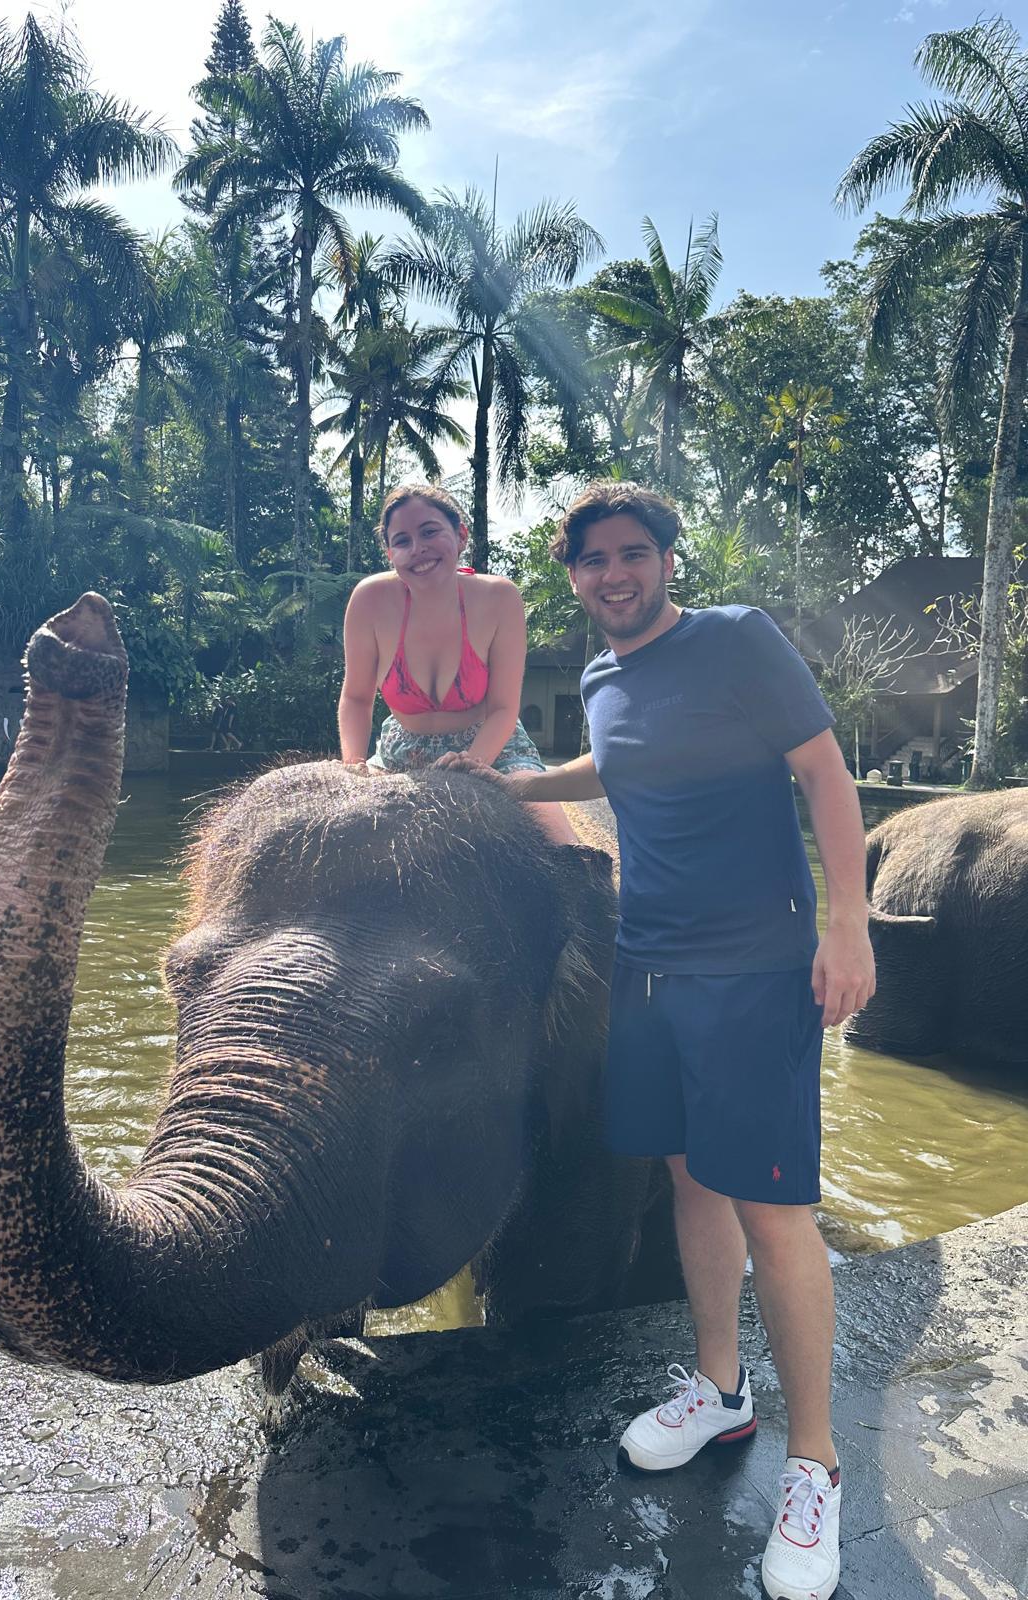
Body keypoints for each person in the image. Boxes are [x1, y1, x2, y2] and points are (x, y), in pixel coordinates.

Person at [440, 480, 875, 1600]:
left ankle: (817, 1461)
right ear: (575, 578)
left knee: (774, 1213)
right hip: (648, 964)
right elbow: (618, 776)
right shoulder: (600, 675)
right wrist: (512, 780)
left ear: (668, 560)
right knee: (688, 1180)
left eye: (633, 553)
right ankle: (722, 1393)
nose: (614, 574)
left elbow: (824, 772)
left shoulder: (738, 642)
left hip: (753, 966)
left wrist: (848, 922)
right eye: (593, 561)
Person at [338, 483, 577, 845]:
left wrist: (472, 764)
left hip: (491, 750)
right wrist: (354, 767)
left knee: (565, 850)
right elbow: (356, 697)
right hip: (401, 753)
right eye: (402, 541)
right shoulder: (369, 600)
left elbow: (502, 707)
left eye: (430, 531)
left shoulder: (499, 597)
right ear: (390, 553)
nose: (418, 549)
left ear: (461, 535)